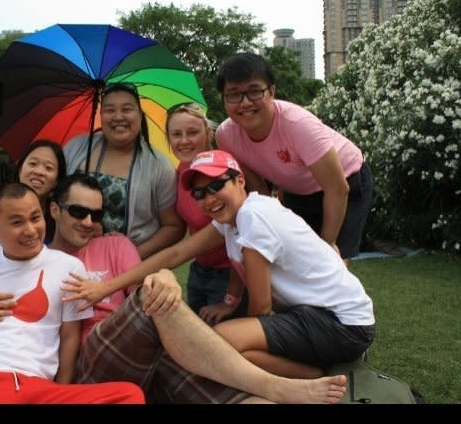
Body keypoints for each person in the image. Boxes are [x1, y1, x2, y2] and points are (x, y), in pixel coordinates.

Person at [0, 174, 348, 404]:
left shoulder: (107, 249)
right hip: (95, 355)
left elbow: (151, 288)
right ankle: (273, 385)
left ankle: (272, 393)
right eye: (78, 211)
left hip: (136, 344)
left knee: (180, 359)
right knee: (164, 325)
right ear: (56, 210)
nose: (88, 222)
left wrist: (162, 278)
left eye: (97, 214)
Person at [64, 150, 375, 379]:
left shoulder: (254, 215)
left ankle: (319, 381)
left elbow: (262, 305)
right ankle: (318, 373)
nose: (208, 199)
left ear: (239, 180)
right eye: (199, 193)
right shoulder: (232, 220)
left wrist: (242, 336)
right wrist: (105, 287)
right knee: (220, 347)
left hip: (343, 323)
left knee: (219, 344)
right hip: (313, 316)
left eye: (216, 186)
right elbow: (175, 254)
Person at [0, 182, 144, 404]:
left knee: (129, 395)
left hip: (35, 388)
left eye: (35, 218)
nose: (30, 230)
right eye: (17, 222)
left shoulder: (68, 268)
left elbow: (69, 338)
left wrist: (60, 390)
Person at [215, 53, 373, 265]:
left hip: (345, 181)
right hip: (297, 190)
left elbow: (337, 188)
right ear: (224, 100)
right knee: (295, 259)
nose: (244, 103)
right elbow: (258, 189)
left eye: (254, 91)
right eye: (233, 94)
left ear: (271, 92)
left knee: (332, 263)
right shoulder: (226, 136)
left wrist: (327, 245)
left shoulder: (297, 125)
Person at [64, 83, 184, 259]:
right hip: (70, 259)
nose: (118, 117)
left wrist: (129, 256)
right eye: (110, 110)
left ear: (139, 115)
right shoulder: (75, 148)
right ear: (101, 115)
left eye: (127, 109)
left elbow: (174, 227)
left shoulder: (159, 166)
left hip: (126, 271)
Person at [166, 102, 248, 320]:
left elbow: (245, 236)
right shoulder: (181, 174)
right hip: (199, 272)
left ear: (207, 133)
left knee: (222, 344)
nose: (184, 141)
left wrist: (232, 296)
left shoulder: (224, 172)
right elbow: (177, 227)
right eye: (176, 134)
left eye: (192, 132)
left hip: (231, 275)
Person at [0, 139, 67, 255]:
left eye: (48, 168)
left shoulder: (60, 216)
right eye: (33, 164)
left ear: (57, 180)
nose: (39, 171)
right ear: (20, 169)